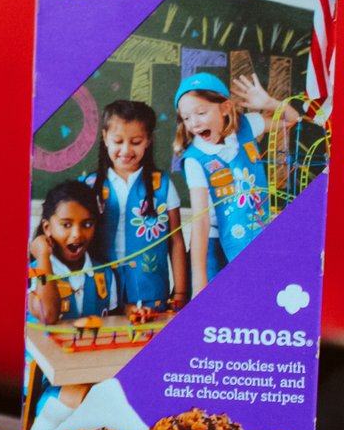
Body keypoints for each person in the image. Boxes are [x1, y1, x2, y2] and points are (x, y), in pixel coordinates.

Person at [174, 71, 299, 294]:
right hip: (214, 245)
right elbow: (200, 222)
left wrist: (269, 102)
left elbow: (291, 120)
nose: (193, 123)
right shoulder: (195, 160)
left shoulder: (246, 126)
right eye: (186, 118)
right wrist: (199, 281)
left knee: (256, 300)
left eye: (201, 113)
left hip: (254, 236)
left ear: (225, 108)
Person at [84, 99, 188, 313]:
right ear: (105, 138)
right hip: (99, 291)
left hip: (150, 292)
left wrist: (180, 292)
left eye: (136, 141)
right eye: (118, 141)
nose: (126, 150)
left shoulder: (163, 186)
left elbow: (176, 241)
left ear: (148, 140)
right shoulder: (88, 186)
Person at [27, 179, 116, 325]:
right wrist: (43, 257)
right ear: (47, 227)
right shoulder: (31, 272)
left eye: (87, 224)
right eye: (66, 225)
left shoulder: (105, 273)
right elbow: (48, 314)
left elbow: (113, 322)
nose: (77, 234)